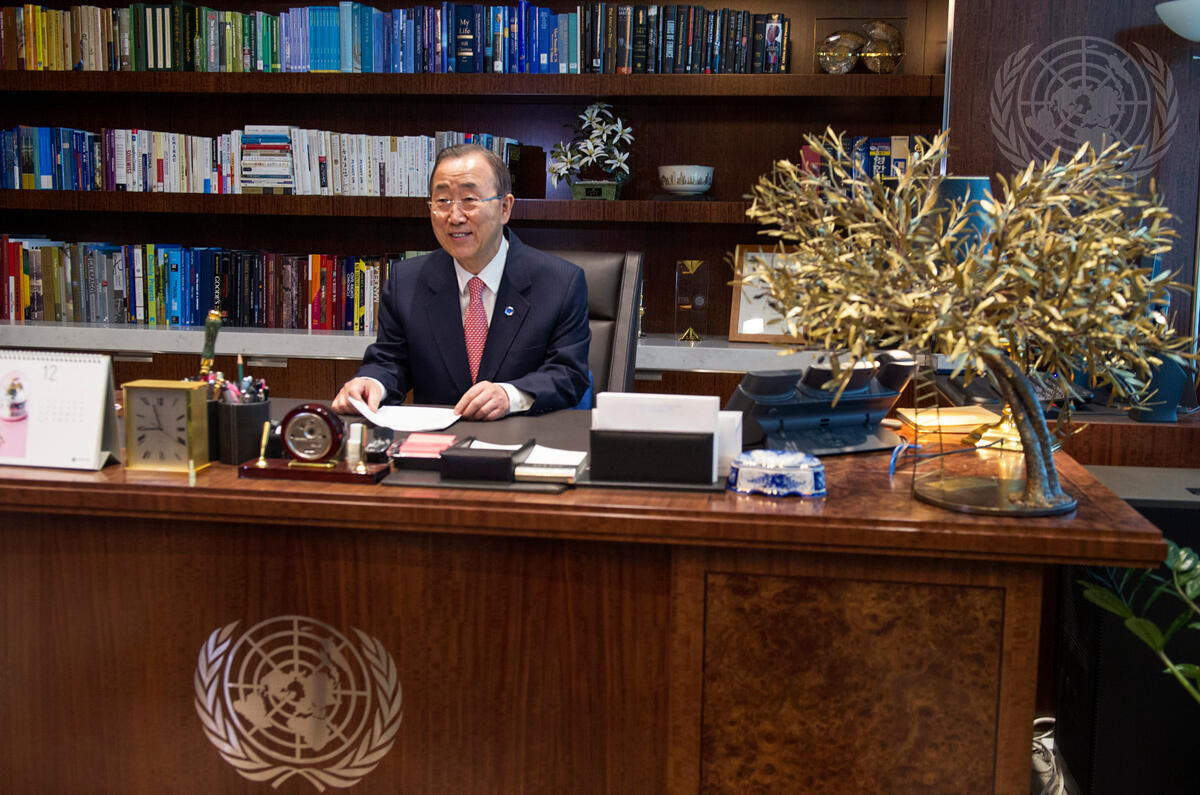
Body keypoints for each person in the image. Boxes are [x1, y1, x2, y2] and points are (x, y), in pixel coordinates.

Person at [332, 143, 591, 421]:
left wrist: (510, 395)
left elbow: (568, 374)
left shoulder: (559, 283)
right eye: (443, 201)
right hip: (436, 440)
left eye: (469, 199)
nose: (454, 217)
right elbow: (390, 361)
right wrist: (372, 383)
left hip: (522, 438)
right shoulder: (405, 282)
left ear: (504, 208)